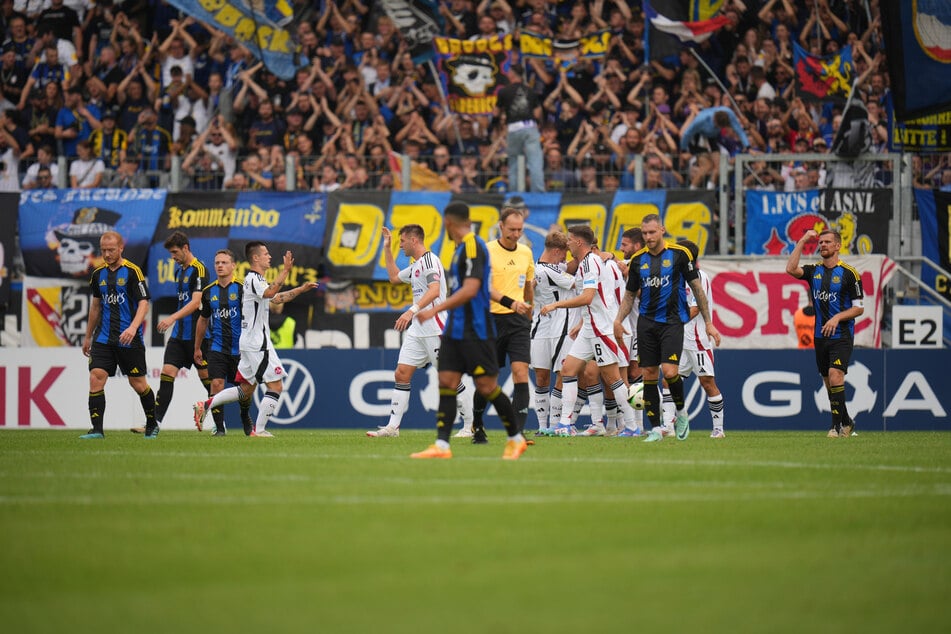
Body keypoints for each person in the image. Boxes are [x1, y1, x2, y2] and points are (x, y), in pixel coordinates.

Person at [410, 201, 527, 460]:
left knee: (486, 386)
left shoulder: (474, 245)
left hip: (476, 330)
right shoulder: (459, 248)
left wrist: (434, 310)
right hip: (455, 329)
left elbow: (472, 289)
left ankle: (515, 439)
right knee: (447, 382)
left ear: (448, 222)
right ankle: (441, 445)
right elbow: (480, 288)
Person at [613, 214, 721, 443]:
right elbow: (630, 295)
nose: (649, 237)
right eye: (645, 233)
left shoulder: (680, 255)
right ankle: (655, 429)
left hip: (672, 322)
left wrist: (709, 323)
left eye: (652, 232)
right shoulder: (639, 260)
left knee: (670, 373)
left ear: (662, 230)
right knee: (650, 376)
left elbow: (697, 290)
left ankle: (681, 414)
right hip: (646, 323)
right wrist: (618, 320)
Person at [193, 243, 317, 437]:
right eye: (266, 253)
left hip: (250, 342)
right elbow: (270, 293)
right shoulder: (252, 279)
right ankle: (258, 430)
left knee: (245, 389)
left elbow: (275, 298)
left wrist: (301, 289)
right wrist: (285, 271)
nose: (269, 256)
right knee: (275, 386)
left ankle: (206, 404)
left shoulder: (256, 280)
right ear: (256, 258)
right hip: (258, 343)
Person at [366, 224, 474, 438]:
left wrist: (411, 310)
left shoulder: (430, 261)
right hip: (418, 329)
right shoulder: (416, 265)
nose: (401, 245)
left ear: (414, 240)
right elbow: (394, 277)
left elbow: (434, 291)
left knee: (449, 380)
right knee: (401, 373)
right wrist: (387, 248)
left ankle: (469, 426)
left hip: (435, 327)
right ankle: (392, 427)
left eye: (402, 241)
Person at [540, 225, 640, 437]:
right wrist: (581, 323)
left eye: (569, 239)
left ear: (578, 242)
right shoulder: (588, 262)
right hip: (591, 326)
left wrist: (555, 305)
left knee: (615, 378)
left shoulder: (591, 262)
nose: (566, 243)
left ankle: (632, 425)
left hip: (603, 328)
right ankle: (566, 424)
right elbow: (593, 300)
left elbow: (587, 297)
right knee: (569, 369)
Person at [785, 229, 864, 438]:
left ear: (838, 246)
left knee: (836, 375)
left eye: (827, 242)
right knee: (829, 382)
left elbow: (859, 308)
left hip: (842, 335)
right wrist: (802, 239)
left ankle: (836, 427)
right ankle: (846, 421)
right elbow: (790, 269)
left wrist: (837, 317)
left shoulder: (850, 274)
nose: (823, 245)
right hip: (820, 336)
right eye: (820, 242)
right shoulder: (814, 271)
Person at [130, 231, 210, 435]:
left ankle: (219, 422)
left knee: (210, 381)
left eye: (175, 252)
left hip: (198, 337)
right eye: (171, 253)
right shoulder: (179, 271)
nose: (172, 257)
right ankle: (154, 423)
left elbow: (195, 303)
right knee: (167, 374)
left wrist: (172, 317)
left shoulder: (199, 270)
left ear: (186, 248)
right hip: (178, 337)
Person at [80, 231, 157, 439]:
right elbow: (95, 307)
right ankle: (97, 430)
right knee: (96, 377)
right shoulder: (97, 274)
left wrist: (133, 328)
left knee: (138, 384)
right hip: (103, 338)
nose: (106, 254)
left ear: (121, 248)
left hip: (128, 339)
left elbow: (143, 303)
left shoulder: (133, 272)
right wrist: (88, 337)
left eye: (111, 250)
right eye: (103, 250)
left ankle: (152, 423)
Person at [469, 206, 534, 443]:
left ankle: (517, 433)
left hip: (518, 322)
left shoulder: (526, 252)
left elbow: (528, 285)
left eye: (520, 230)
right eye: (512, 230)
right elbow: (485, 288)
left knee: (520, 372)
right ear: (500, 226)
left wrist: (529, 310)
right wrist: (511, 303)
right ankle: (477, 425)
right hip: (491, 321)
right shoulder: (486, 251)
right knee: (488, 379)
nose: (516, 234)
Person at [193, 249, 254, 436]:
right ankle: (219, 428)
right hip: (217, 347)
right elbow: (203, 320)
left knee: (244, 390)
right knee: (217, 384)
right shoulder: (208, 291)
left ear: (233, 266)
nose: (220, 265)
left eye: (224, 262)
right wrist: (197, 347)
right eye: (217, 262)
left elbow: (253, 317)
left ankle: (245, 415)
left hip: (241, 348)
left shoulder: (243, 288)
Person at [676, 240, 726, 439]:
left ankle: (718, 429)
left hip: (697, 339)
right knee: (670, 381)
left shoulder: (699, 277)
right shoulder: (675, 277)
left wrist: (672, 321)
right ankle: (670, 427)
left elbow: (695, 308)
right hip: (679, 339)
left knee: (707, 382)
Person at [530, 230, 575, 435]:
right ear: (556, 251)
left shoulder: (545, 268)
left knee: (560, 374)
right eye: (565, 252)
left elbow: (569, 269)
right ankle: (542, 426)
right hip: (541, 328)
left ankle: (555, 426)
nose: (566, 256)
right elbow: (575, 280)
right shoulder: (543, 270)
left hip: (560, 327)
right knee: (541, 377)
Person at [493, 63, 545, 192]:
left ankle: (514, 192)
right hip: (530, 126)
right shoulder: (530, 90)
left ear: (511, 74)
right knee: (535, 161)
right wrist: (537, 123)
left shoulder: (504, 91)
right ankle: (538, 191)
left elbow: (496, 112)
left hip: (514, 128)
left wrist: (496, 125)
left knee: (514, 163)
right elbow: (538, 110)